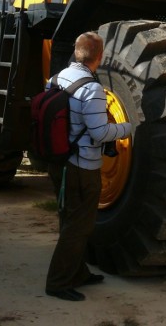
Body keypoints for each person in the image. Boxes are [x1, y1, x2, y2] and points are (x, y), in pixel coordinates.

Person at [45, 31, 132, 302]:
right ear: (100, 56)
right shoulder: (91, 88)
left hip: (59, 162)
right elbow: (98, 132)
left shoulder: (55, 79)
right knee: (79, 226)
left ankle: (78, 272)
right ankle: (58, 283)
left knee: (69, 221)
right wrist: (128, 127)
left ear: (76, 50)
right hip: (82, 167)